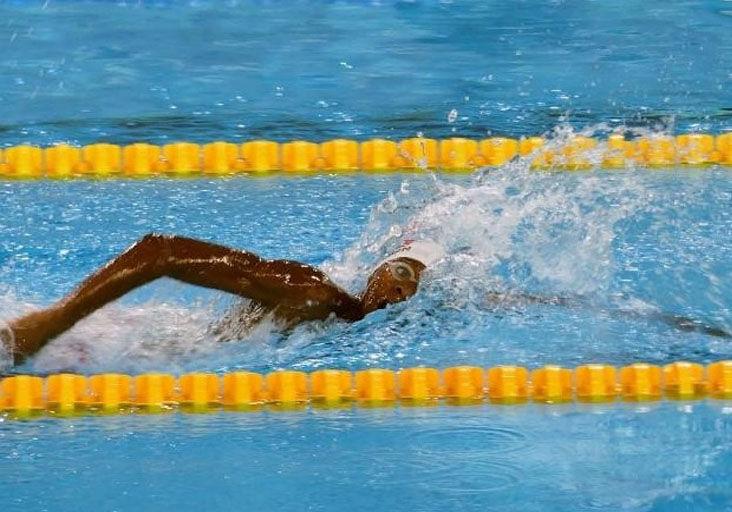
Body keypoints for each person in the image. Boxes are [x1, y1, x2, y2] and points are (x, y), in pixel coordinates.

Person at [2, 234, 445, 364]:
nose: (403, 291)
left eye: (415, 286)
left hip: (135, 346)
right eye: (402, 272)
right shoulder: (310, 292)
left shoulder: (348, 322)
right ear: (378, 268)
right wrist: (53, 323)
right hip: (94, 350)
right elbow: (161, 252)